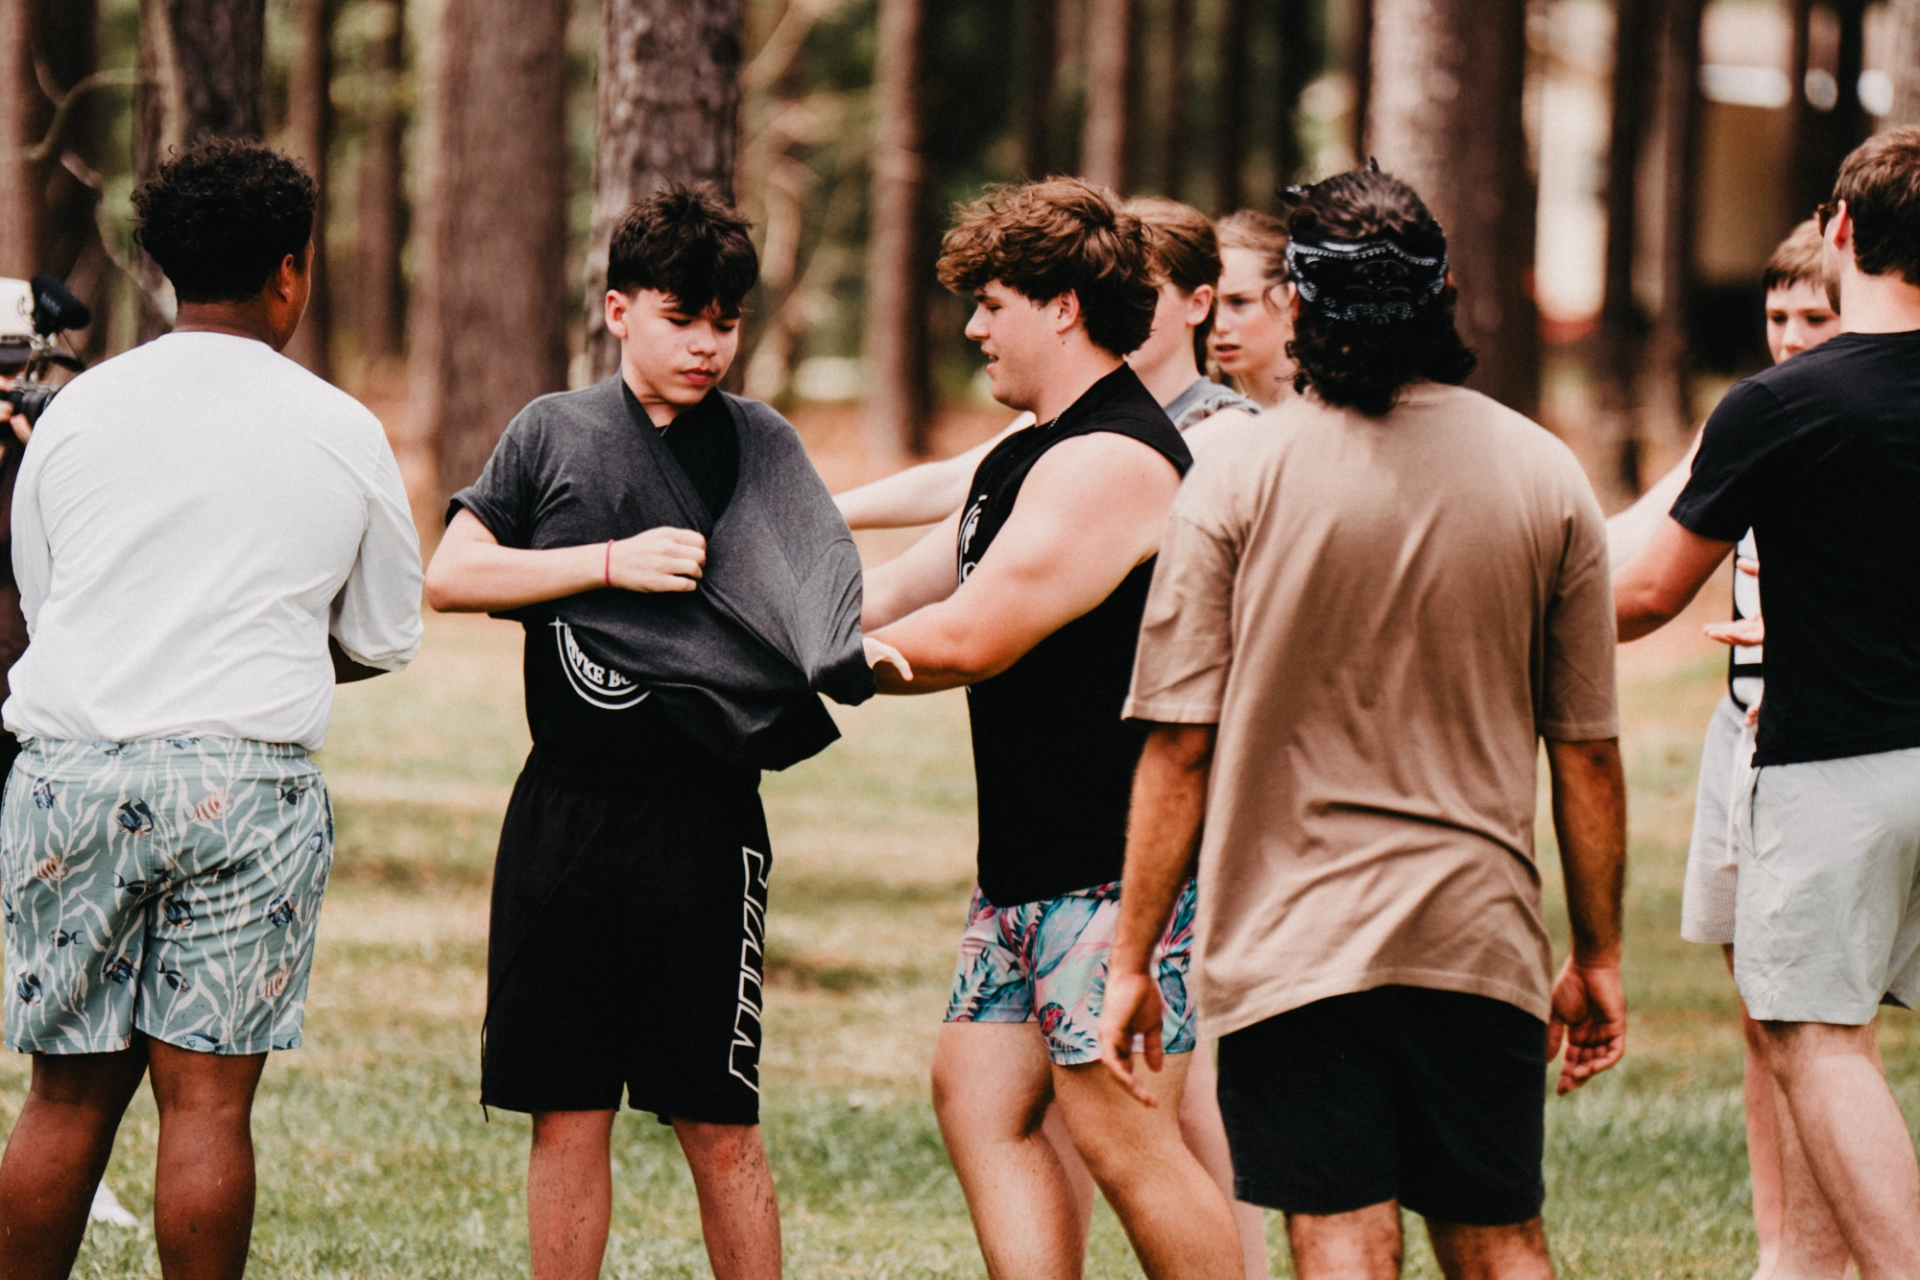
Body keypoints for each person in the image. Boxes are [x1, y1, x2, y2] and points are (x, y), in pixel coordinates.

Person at [1099, 165, 1627, 1280]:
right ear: (1445, 297)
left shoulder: (1235, 477)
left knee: (1340, 1238)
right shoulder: (1545, 472)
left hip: (1294, 943)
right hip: (1478, 937)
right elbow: (1586, 750)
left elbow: (1181, 744)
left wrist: (1130, 959)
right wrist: (1599, 954)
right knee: (1502, 1243)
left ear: (1297, 299)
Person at [424, 183, 888, 1280]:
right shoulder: (553, 430)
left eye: (726, 322)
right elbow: (452, 576)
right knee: (565, 1109)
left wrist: (867, 651)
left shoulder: (763, 444)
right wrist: (607, 565)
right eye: (682, 318)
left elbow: (822, 591)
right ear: (619, 309)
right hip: (564, 816)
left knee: (720, 1121)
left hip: (705, 824)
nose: (707, 346)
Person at [0, 138, 424, 1280]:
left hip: (73, 777)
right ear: (291, 271)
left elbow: (48, 599)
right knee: (208, 1105)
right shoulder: (341, 427)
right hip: (244, 788)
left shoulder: (77, 413)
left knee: (62, 1097)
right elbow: (385, 633)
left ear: (164, 266)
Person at [861, 178, 1243, 1280]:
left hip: (1112, 869)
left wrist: (806, 675)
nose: (974, 329)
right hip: (1027, 866)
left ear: (1062, 307)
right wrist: (733, 632)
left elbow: (971, 636)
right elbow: (892, 593)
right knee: (980, 1098)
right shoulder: (1024, 452)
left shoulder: (1115, 457)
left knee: (1124, 1136)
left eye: (992, 305)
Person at [1615, 127, 1920, 1279]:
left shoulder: (1780, 405)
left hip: (1836, 764)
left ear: (1840, 231)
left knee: (1816, 1037)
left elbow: (1646, 594)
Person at [834, 197, 1258, 531]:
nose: (1128, 306)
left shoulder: (1228, 425)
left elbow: (1084, 503)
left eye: (1147, 293)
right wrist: (826, 514)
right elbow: (953, 481)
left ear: (1198, 305)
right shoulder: (1074, 407)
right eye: (1119, 292)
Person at [1209, 211, 1295, 408]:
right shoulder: (1216, 419)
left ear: (1291, 302)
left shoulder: (1339, 416)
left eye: (1239, 302)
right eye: (1210, 305)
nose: (1219, 326)